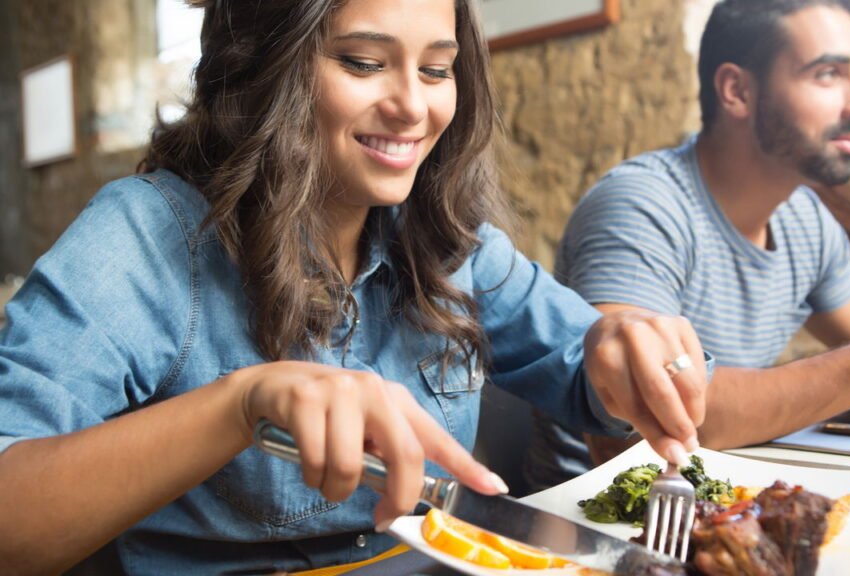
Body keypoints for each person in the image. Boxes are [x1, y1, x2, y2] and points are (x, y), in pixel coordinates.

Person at [0, 1, 712, 573]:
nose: (413, 106)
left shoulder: (444, 239)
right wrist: (242, 404)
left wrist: (622, 353)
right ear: (263, 65)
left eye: (437, 71)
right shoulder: (144, 236)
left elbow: (589, 375)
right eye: (365, 62)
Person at [525, 0, 850, 492]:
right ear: (737, 90)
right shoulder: (642, 206)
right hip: (590, 519)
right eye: (828, 74)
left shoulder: (804, 218)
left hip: (724, 497)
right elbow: (647, 410)